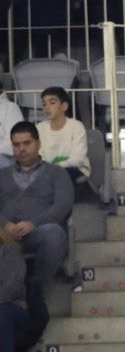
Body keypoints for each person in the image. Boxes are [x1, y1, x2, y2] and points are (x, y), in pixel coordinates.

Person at [2, 122, 73, 289]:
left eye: (27, 143)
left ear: (38, 144)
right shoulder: (2, 175)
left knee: (54, 234)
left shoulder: (57, 173)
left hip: (38, 231)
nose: (22, 149)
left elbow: (62, 206)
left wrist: (33, 224)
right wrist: (5, 224)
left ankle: (36, 291)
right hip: (4, 233)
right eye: (17, 144)